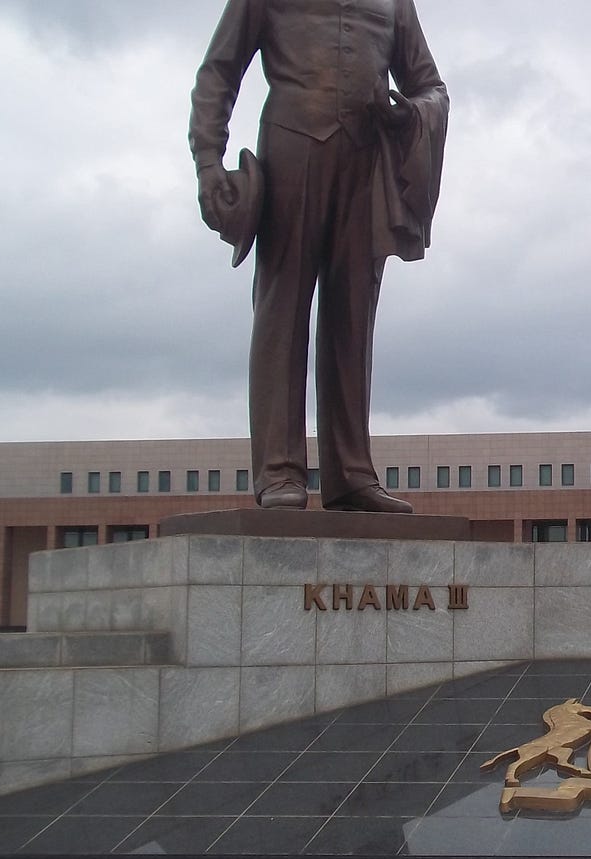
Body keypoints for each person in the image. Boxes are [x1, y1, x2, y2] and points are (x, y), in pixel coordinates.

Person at [190, 0, 448, 512]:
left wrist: (412, 111)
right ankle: (278, 470)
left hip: (366, 163)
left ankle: (351, 474)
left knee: (353, 316)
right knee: (282, 310)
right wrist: (207, 161)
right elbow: (219, 71)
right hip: (290, 150)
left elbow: (431, 86)